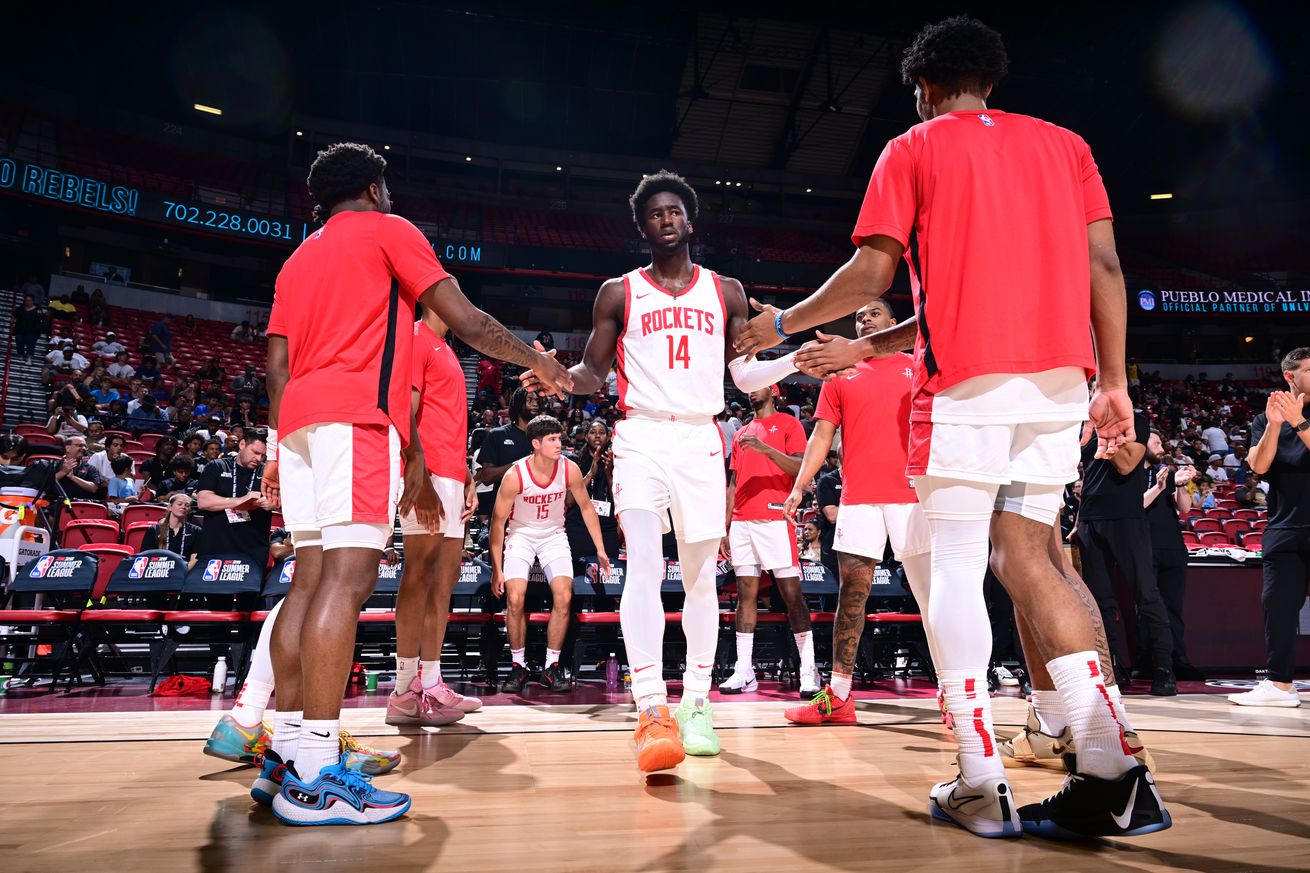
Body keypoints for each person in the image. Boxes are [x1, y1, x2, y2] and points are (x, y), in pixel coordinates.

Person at [732, 17, 1167, 838]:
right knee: (1031, 557)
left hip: (966, 386)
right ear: (992, 80)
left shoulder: (914, 147)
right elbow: (1106, 265)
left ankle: (980, 778)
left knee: (962, 568)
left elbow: (873, 270)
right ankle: (1116, 771)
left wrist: (782, 323)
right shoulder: (1067, 145)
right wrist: (1113, 381)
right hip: (1060, 383)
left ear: (925, 89)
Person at [259, 141, 570, 827]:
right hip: (356, 422)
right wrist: (541, 363)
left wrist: (279, 447)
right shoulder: (390, 231)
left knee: (307, 584)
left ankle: (285, 750)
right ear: (372, 189)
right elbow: (471, 322)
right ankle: (315, 769)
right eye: (387, 188)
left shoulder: (298, 256)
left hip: (302, 426)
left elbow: (275, 364)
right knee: (346, 581)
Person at [519, 170, 784, 773]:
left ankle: (695, 703)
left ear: (690, 221)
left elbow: (742, 376)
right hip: (639, 434)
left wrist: (795, 361)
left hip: (700, 436)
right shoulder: (619, 291)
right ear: (643, 227)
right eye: (655, 214)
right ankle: (649, 705)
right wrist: (559, 375)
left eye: (675, 212)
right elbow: (592, 372)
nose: (666, 220)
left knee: (698, 579)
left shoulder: (727, 290)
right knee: (642, 559)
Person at [779, 301, 935, 725]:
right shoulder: (841, 375)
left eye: (874, 314)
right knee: (852, 594)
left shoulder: (917, 365)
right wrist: (799, 486)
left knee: (932, 599)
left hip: (913, 495)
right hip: (860, 497)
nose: (865, 320)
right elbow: (821, 437)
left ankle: (954, 695)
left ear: (893, 323)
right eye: (859, 316)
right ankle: (840, 696)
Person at [388, 309, 483, 728]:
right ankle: (403, 689)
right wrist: (418, 474)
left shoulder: (445, 348)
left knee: (443, 584)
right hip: (424, 474)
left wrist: (466, 477)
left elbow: (448, 422)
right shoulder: (415, 337)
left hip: (450, 473)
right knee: (418, 576)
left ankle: (431, 681)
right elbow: (404, 410)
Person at [489, 415, 611, 692]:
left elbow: (587, 508)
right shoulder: (514, 475)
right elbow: (497, 523)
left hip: (554, 536)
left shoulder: (569, 469)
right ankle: (518, 665)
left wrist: (601, 549)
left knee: (564, 595)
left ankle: (551, 666)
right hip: (520, 535)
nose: (560, 443)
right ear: (536, 444)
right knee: (516, 597)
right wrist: (497, 568)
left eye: (560, 438)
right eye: (552, 439)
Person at [719, 384, 815, 697]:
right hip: (743, 521)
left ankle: (808, 669)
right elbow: (733, 481)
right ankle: (744, 671)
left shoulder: (789, 424)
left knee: (791, 593)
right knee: (745, 594)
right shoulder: (740, 431)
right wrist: (725, 524)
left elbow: (800, 468)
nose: (751, 392)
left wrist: (765, 449)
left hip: (775, 518)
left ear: (773, 391)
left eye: (758, 385)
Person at [1230, 349, 1310, 708]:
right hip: (1285, 525)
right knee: (1276, 604)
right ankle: (1280, 686)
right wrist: (1276, 424)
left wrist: (1299, 422)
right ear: (1290, 378)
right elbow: (1259, 466)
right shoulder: (1267, 420)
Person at [1142, 433, 1204, 681]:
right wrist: (1160, 486)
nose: (1161, 447)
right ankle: (1146, 660)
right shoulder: (1132, 473)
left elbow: (1185, 508)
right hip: (1144, 546)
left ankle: (1179, 659)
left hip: (1173, 547)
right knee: (1145, 609)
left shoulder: (1167, 472)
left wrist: (1180, 484)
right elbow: (1137, 505)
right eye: (1156, 443)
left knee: (1173, 608)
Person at [194, 431, 274, 568]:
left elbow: (283, 502)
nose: (258, 459)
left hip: (253, 549)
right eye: (255, 452)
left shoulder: (268, 472)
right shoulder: (217, 466)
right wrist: (241, 500)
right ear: (242, 444)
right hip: (216, 545)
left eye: (263, 455)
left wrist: (273, 504)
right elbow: (203, 501)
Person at [473, 387, 538, 517]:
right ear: (518, 404)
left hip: (535, 510)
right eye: (530, 400)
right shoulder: (498, 435)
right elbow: (486, 477)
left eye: (537, 401)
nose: (535, 404)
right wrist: (519, 464)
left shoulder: (543, 436)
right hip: (504, 511)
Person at [564, 419, 621, 564]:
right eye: (593, 432)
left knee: (611, 575)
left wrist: (609, 473)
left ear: (608, 437)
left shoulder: (617, 462)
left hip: (607, 528)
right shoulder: (575, 461)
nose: (597, 436)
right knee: (577, 576)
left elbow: (619, 500)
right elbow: (569, 501)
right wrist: (590, 473)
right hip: (579, 527)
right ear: (586, 436)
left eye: (601, 433)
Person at [12, 293, 44, 362]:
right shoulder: (20, 308)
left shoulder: (38, 309)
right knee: (19, 342)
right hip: (20, 330)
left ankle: (29, 357)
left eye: (29, 300)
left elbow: (42, 318)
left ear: (33, 301)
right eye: (26, 300)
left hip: (32, 331)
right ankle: (20, 354)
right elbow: (14, 315)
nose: (27, 302)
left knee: (31, 344)